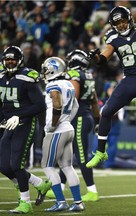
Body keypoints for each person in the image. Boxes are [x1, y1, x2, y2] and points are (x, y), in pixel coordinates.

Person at [86, 6, 136, 168]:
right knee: (106, 111)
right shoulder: (112, 36)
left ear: (129, 19)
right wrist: (96, 58)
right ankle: (100, 151)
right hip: (129, 80)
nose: (121, 25)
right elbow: (105, 56)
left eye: (123, 21)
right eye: (118, 22)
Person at [0, 46, 51, 214]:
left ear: (20, 60)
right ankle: (40, 184)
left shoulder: (27, 77)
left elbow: (40, 105)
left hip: (26, 125)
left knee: (16, 165)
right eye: (7, 59)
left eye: (13, 59)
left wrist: (19, 116)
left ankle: (25, 202)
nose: (10, 62)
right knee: (3, 165)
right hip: (9, 125)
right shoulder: (1, 77)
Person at [45, 50, 101, 202]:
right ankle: (61, 186)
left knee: (81, 155)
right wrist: (97, 121)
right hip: (86, 116)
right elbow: (95, 101)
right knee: (66, 155)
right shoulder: (88, 75)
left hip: (79, 117)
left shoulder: (75, 75)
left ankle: (92, 190)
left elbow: (72, 99)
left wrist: (62, 117)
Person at [40, 57, 85, 212]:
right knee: (67, 166)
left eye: (46, 69)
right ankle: (78, 202)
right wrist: (66, 121)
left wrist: (53, 124)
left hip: (57, 131)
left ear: (53, 69)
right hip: (67, 129)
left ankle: (61, 201)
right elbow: (75, 106)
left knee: (47, 166)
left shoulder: (53, 85)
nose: (44, 72)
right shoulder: (69, 84)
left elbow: (57, 105)